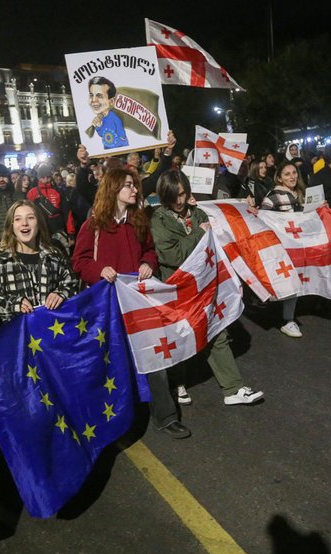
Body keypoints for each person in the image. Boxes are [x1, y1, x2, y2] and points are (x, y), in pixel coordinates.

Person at [72, 168, 190, 439]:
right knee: (114, 362)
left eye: (134, 185)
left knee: (154, 355)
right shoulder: (93, 225)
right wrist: (99, 271)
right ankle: (116, 422)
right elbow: (80, 261)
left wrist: (148, 263)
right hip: (109, 306)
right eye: (128, 185)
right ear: (113, 188)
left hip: (138, 301)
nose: (135, 190)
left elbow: (149, 250)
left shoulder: (138, 220)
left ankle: (166, 417)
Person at [151, 170, 263, 406]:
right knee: (179, 337)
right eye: (174, 196)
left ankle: (233, 388)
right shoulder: (158, 219)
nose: (179, 201)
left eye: (182, 194)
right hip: (176, 289)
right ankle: (177, 382)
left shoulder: (198, 212)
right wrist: (200, 233)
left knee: (216, 331)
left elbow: (214, 244)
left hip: (202, 286)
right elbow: (173, 254)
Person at [0, 200, 79, 322]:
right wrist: (12, 303)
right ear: (11, 225)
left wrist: (61, 293)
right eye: (18, 219)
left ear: (39, 223)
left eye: (30, 218)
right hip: (14, 334)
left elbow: (72, 283)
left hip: (49, 330)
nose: (24, 223)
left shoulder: (53, 256)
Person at [247, 162, 318, 335]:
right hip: (284, 245)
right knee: (289, 279)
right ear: (279, 178)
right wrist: (257, 212)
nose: (292, 177)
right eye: (287, 174)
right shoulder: (273, 196)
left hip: (301, 244)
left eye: (294, 173)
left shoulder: (302, 193)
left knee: (298, 278)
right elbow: (263, 218)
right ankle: (288, 320)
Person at [87, 76, 128, 150]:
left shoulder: (114, 118)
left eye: (99, 96)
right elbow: (103, 135)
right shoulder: (101, 118)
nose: (93, 100)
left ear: (111, 101)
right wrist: (98, 127)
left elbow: (122, 136)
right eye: (91, 95)